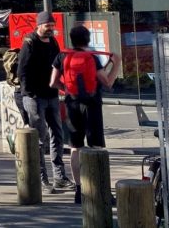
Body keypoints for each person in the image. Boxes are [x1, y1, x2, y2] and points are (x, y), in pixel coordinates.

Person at [50, 24, 121, 205]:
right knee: (97, 147)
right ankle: (102, 189)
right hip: (92, 105)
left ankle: (79, 190)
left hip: (72, 104)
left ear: (71, 39)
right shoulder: (92, 58)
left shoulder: (62, 56)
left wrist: (66, 89)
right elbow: (107, 83)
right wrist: (116, 64)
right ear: (88, 39)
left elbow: (52, 83)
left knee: (75, 148)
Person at [17, 11, 73, 192]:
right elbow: (22, 71)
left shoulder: (53, 42)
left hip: (51, 95)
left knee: (57, 135)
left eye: (52, 25)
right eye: (47, 25)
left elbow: (59, 65)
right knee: (39, 138)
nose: (51, 29)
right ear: (39, 25)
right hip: (34, 97)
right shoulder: (30, 43)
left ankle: (60, 177)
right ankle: (42, 178)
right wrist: (29, 94)